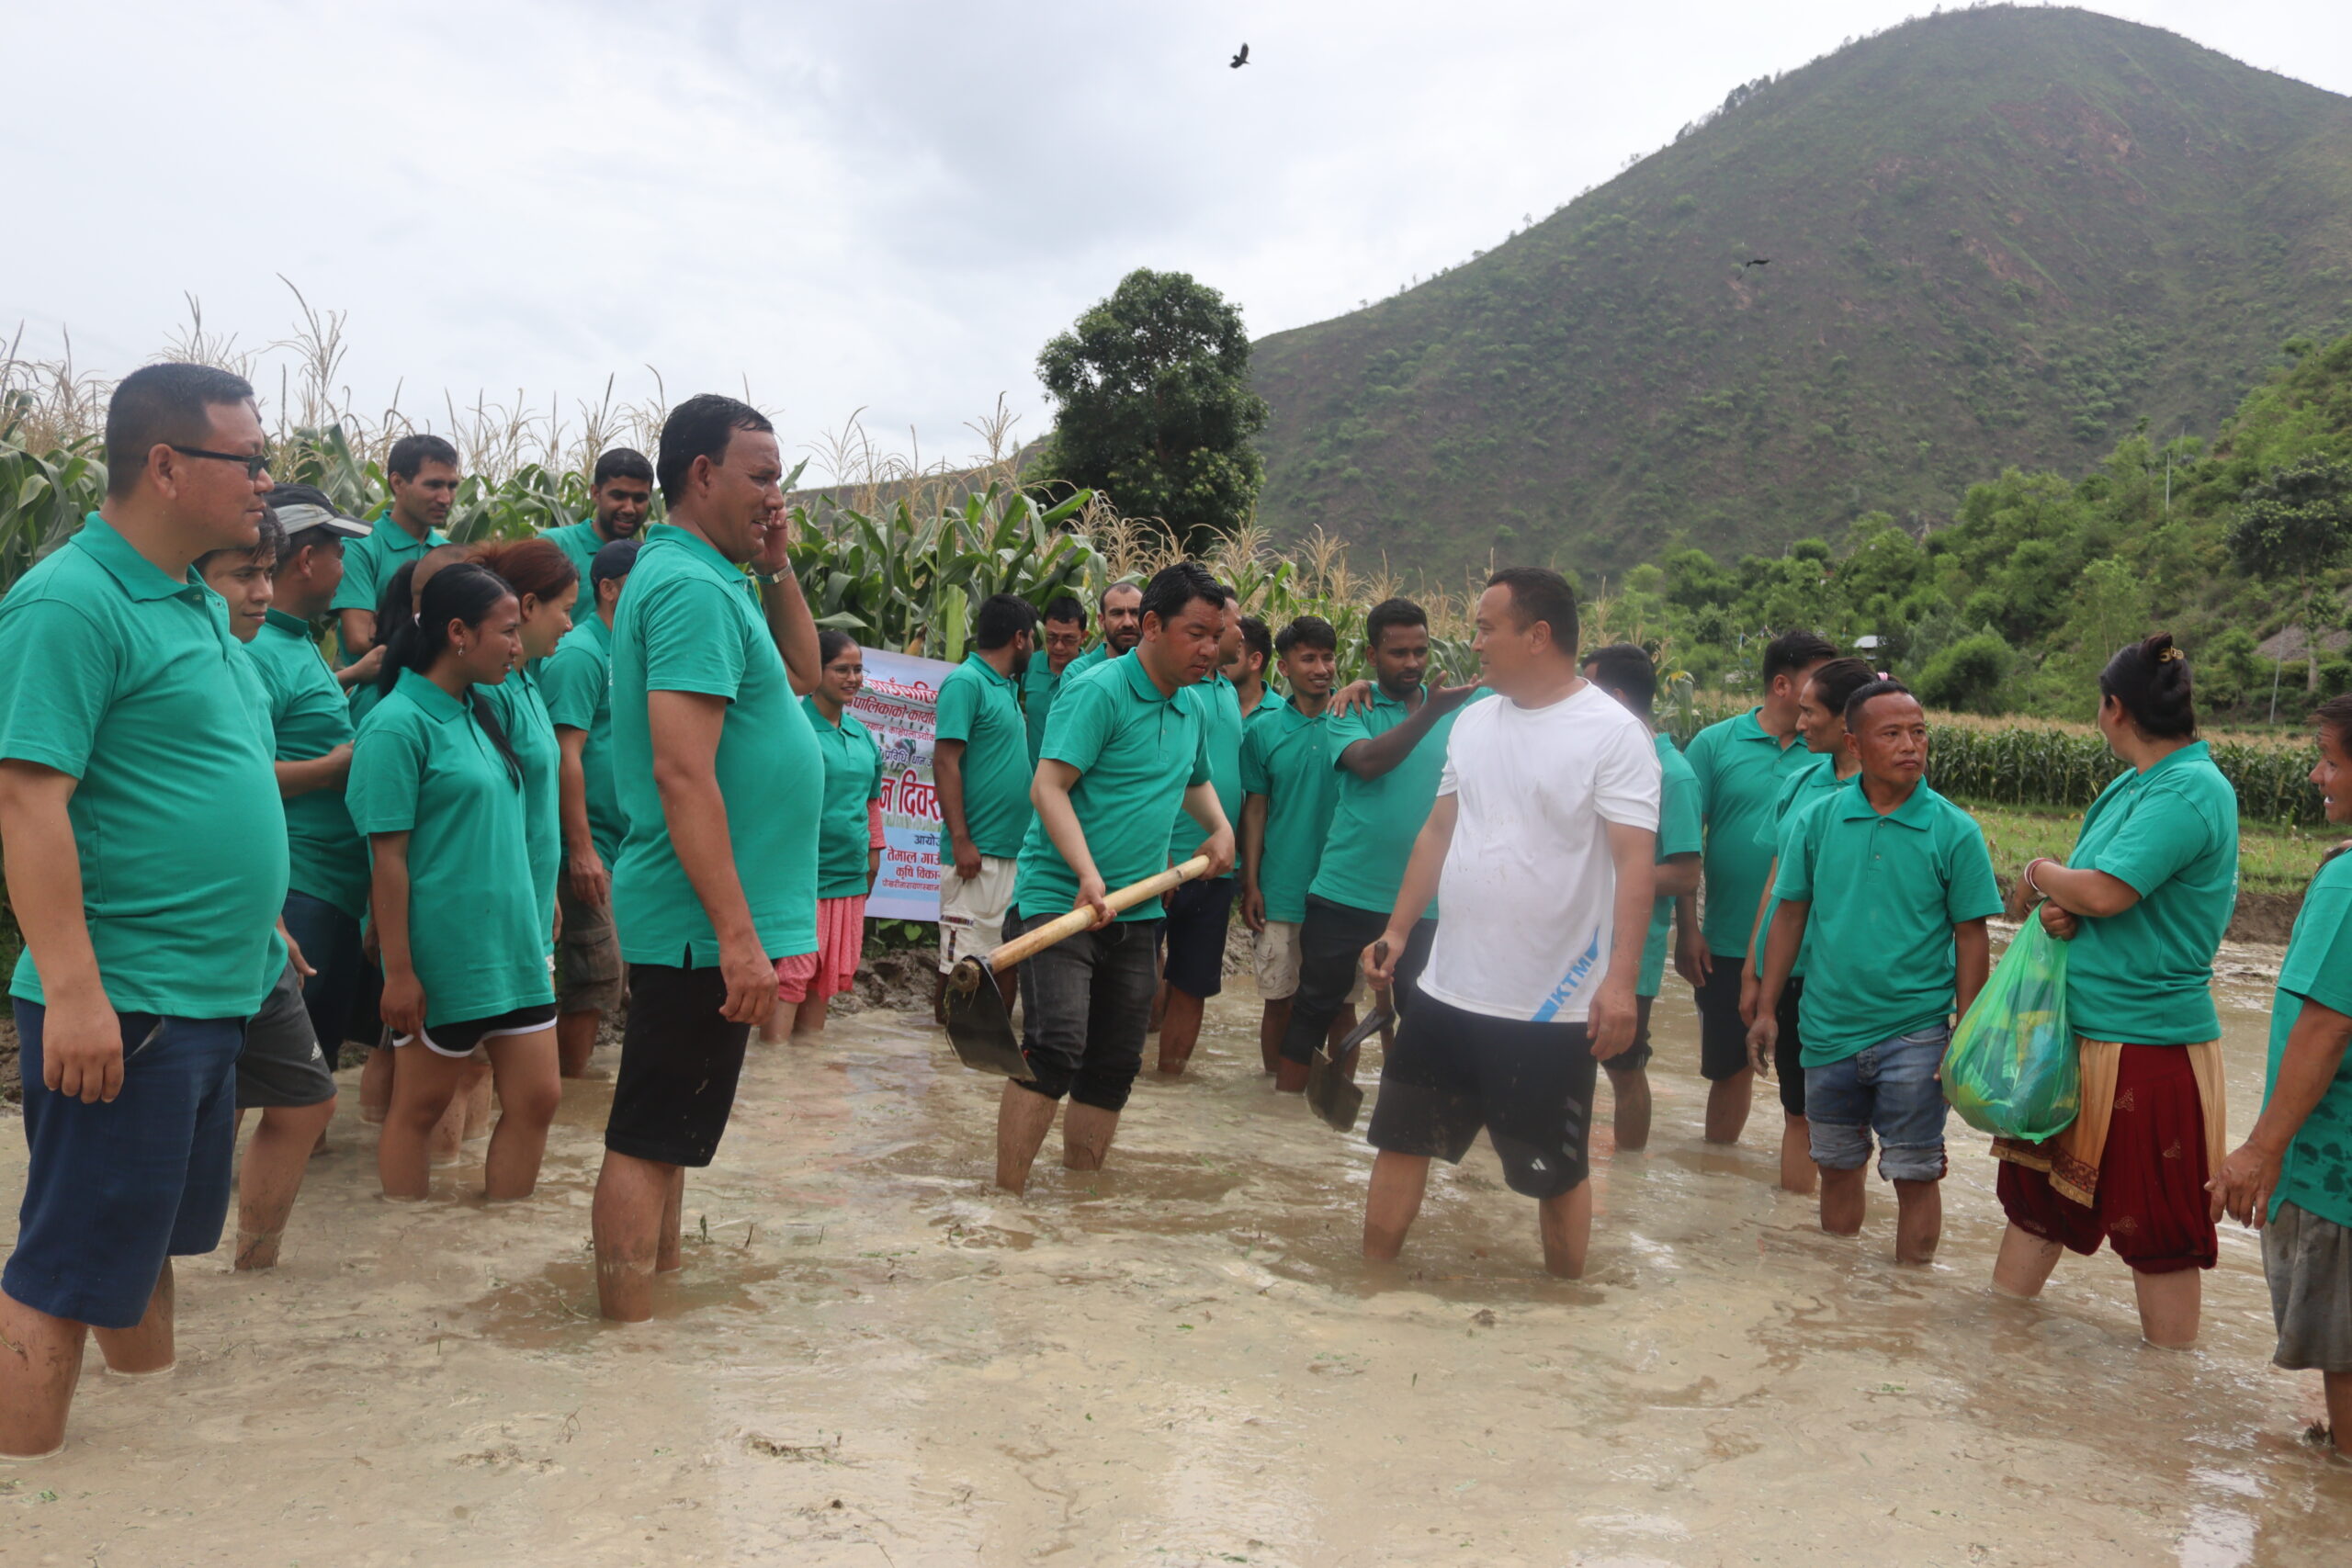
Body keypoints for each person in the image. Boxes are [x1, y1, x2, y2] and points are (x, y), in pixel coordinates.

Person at [0, 363, 287, 1459]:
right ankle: (30, 1492)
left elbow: (191, 782)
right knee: (65, 1266)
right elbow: (28, 798)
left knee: (147, 1247)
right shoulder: (70, 602)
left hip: (211, 993)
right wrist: (75, 993)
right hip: (126, 1003)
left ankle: (153, 1477)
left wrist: (257, 915)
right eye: (248, 460)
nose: (266, 480)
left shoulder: (189, 599)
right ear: (166, 465)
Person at [593, 393, 822, 1323]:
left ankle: (653, 1316)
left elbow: (804, 673)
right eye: (761, 477)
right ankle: (624, 1342)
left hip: (707, 920)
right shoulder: (687, 588)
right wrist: (736, 936)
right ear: (701, 475)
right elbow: (682, 775)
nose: (775, 496)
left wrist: (776, 568)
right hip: (698, 922)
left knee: (672, 1134)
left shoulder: (719, 578)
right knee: (649, 1137)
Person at [1360, 569, 1657, 1279]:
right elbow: (1438, 830)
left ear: (1538, 635)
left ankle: (1564, 1308)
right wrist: (1398, 934)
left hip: (1549, 1004)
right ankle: (1368, 1283)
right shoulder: (1475, 720)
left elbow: (1635, 861)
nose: (1475, 640)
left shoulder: (1613, 735)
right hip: (1448, 988)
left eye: (1487, 626)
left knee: (1551, 1169)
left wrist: (1619, 984)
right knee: (1401, 1141)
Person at [1992, 634, 2238, 1348]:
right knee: (2035, 1202)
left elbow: (2105, 889)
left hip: (2149, 1040)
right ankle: (1997, 1360)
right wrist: (2061, 908)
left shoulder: (2192, 788)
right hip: (2082, 1025)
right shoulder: (2137, 783)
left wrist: (2041, 874)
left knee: (2158, 1228)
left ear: (2114, 708)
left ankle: (2168, 1401)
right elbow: (2097, 895)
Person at [995, 561, 1236, 1193]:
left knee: (1115, 1063)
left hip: (1137, 909)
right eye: (1197, 633)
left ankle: (1081, 1201)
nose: (1210, 648)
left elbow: (1194, 779)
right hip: (1060, 899)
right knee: (1055, 1047)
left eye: (1217, 634)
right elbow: (1048, 787)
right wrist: (1087, 873)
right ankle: (1007, 1201)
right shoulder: (1098, 690)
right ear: (1151, 626)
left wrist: (1220, 828)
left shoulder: (1191, 708)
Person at [1748, 680, 2000, 1264]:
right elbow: (1789, 917)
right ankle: (1840, 1306)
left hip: (1915, 1033)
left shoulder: (1953, 831)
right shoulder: (1818, 820)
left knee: (1916, 1175)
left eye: (1918, 732)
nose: (1911, 745)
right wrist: (1766, 1008)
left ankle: (1908, 1302)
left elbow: (1971, 936)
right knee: (1836, 1170)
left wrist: (1967, 1029)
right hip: (1827, 1029)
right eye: (1892, 734)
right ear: (1855, 744)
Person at [348, 563, 561, 1202]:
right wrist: (400, 971)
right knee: (419, 1110)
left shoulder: (481, 711)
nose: (518, 647)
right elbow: (387, 860)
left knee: (540, 1098)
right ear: (459, 633)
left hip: (513, 947)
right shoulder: (396, 724)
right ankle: (407, 1249)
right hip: (445, 953)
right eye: (507, 633)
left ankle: (495, 1244)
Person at [194, 511, 340, 1270]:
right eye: (241, 577)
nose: (262, 592)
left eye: (264, 574)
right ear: (194, 582)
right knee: (206, 1108)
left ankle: (252, 1269)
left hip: (263, 934)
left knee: (309, 1098)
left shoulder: (246, 666)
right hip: (190, 944)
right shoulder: (203, 667)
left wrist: (269, 910)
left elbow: (242, 798)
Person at [2211, 693, 2352, 1458]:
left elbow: (2327, 1024)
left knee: (2346, 1361)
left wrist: (2262, 1149)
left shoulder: (2350, 881)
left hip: (2337, 1176)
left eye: (2331, 759)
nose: (2315, 773)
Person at [1274, 598, 1481, 1094]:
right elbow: (1367, 763)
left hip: (1426, 902)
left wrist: (1438, 706)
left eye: (1421, 650)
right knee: (1312, 1009)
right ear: (1371, 656)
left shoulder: (1465, 709)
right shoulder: (1351, 707)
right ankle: (1279, 1124)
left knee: (1424, 1014)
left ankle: (1409, 1125)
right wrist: (1431, 711)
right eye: (1397, 653)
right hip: (1346, 891)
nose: (1412, 663)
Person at [1682, 629, 1838, 1146]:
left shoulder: (1832, 754)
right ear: (1781, 685)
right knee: (1730, 1070)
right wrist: (1688, 929)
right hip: (1727, 942)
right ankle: (1719, 1180)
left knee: (1811, 1087)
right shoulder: (1715, 743)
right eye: (1819, 681)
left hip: (1814, 951)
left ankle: (1801, 1197)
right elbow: (1685, 843)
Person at [243, 484, 377, 1066]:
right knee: (266, 1076)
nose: (344, 569)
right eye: (339, 554)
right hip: (300, 889)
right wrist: (331, 771)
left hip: (332, 891)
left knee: (309, 1084)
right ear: (306, 559)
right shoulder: (258, 650)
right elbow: (235, 780)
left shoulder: (297, 644)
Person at [1743, 655, 1879, 1193]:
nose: (1799, 725)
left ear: (1850, 720)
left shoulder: (1890, 791)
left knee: (1852, 1123)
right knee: (1797, 1111)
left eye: (1809, 714)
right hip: (1794, 973)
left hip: (1854, 983)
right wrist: (1755, 975)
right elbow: (1777, 887)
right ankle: (1799, 1242)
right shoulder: (1801, 784)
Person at [1578, 644, 1702, 1155]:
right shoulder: (1598, 759)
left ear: (1617, 698)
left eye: (1588, 690)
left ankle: (1628, 1174)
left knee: (1624, 1066)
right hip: (1576, 939)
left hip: (1630, 949)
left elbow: (1685, 872)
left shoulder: (1673, 775)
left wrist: (1613, 876)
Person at [540, 538, 639, 1077]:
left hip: (624, 843)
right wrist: (581, 850)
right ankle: (566, 1088)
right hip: (587, 845)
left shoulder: (630, 651)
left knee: (609, 977)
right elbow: (563, 755)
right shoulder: (580, 654)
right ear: (608, 590)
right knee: (590, 974)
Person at [1239, 615, 1349, 1075]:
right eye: (1308, 658)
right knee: (1279, 1001)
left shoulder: (1355, 721)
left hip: (1345, 888)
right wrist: (1250, 883)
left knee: (1342, 1007)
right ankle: (1275, 1101)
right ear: (1283, 667)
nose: (1321, 668)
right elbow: (1256, 811)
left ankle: (1336, 1106)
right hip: (1282, 887)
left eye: (1328, 657)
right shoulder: (1263, 731)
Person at [765, 630, 886, 1043]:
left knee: (827, 975)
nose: (852, 678)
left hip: (850, 877)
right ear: (815, 671)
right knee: (791, 975)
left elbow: (871, 802)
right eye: (842, 669)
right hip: (803, 877)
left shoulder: (863, 736)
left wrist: (875, 852)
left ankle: (806, 1081)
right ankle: (772, 1073)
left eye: (857, 670)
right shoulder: (793, 727)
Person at [469, 536, 582, 960]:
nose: (570, 625)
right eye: (566, 610)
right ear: (529, 606)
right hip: (501, 919)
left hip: (530, 906)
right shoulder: (490, 692)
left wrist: (546, 887)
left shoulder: (525, 680)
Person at [1156, 588, 1248, 1077]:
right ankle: (1122, 1079)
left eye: (1224, 631)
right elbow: (1167, 775)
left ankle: (1167, 1087)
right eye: (1220, 628)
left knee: (1193, 983)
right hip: (1164, 864)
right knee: (1140, 978)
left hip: (1216, 867)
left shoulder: (1228, 691)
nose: (1230, 637)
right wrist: (1161, 852)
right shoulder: (1173, 690)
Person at [934, 592, 1037, 1023]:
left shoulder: (1007, 688)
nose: (1036, 648)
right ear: (1019, 638)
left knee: (1004, 960)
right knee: (962, 969)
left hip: (1013, 854)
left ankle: (981, 1071)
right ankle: (947, 1063)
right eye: (1034, 638)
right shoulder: (966, 682)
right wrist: (961, 840)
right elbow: (945, 760)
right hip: (977, 857)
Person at [332, 433, 458, 665]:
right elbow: (359, 640)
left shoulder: (449, 554)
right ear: (397, 483)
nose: (445, 498)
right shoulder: (360, 547)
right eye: (434, 485)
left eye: (452, 486)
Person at [539, 447, 654, 585]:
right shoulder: (556, 545)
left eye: (639, 498)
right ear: (595, 493)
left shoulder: (647, 560)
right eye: (618, 496)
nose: (629, 509)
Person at [1023, 593, 1088, 764]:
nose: (1058, 646)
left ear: (1083, 637)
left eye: (1068, 639)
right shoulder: (1030, 664)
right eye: (1051, 638)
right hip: (1032, 777)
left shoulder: (1092, 674)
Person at [1060, 581, 1142, 680]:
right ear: (1102, 621)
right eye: (1117, 613)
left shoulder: (1159, 669)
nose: (1127, 623)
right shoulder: (1078, 673)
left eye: (1135, 613)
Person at [1227, 615, 1272, 720]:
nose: (1221, 658)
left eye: (1234, 651)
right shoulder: (1205, 702)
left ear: (1255, 660)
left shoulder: (1281, 713)